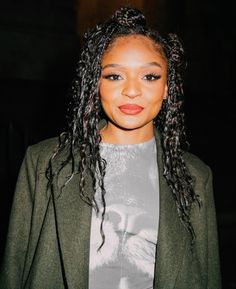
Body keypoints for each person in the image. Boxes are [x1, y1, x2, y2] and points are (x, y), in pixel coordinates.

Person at [0, 6, 221, 289]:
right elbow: (14, 267)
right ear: (95, 83)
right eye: (114, 76)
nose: (131, 90)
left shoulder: (195, 176)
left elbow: (207, 276)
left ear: (167, 87)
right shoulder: (44, 162)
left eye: (149, 76)